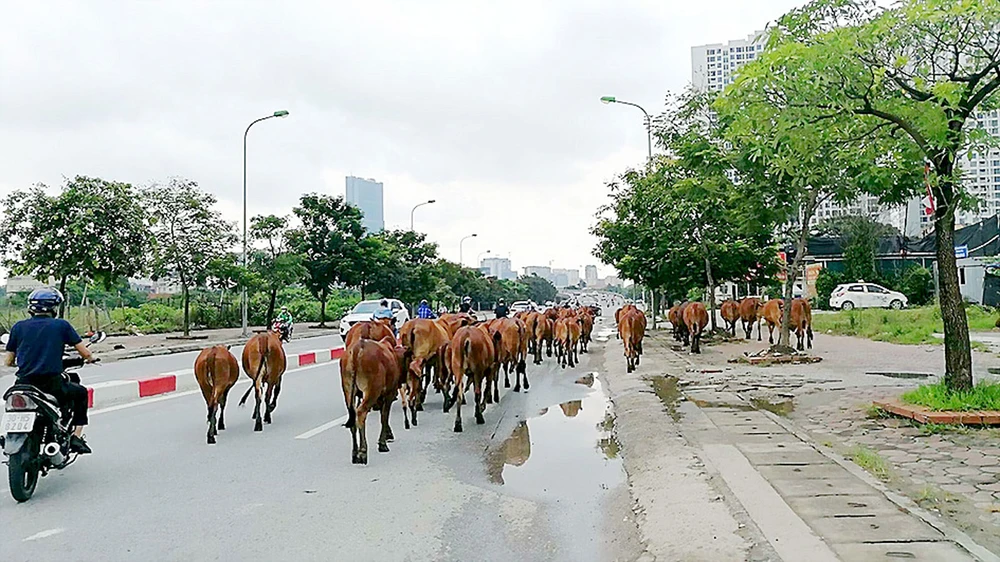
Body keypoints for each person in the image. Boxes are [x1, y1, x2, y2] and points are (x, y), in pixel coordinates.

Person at [4, 287, 97, 454]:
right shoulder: (61, 325)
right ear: (54, 308)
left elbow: (8, 361)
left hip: (23, 384)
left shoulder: (18, 327)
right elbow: (85, 352)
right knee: (81, 393)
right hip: (52, 385)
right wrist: (90, 358)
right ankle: (76, 437)